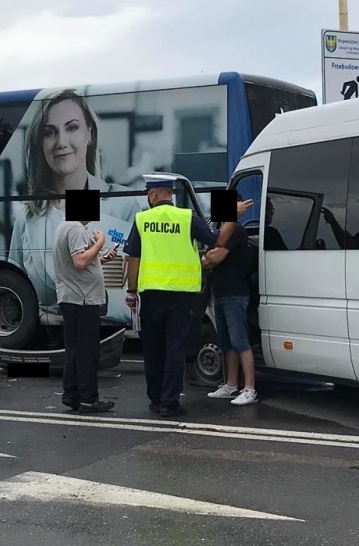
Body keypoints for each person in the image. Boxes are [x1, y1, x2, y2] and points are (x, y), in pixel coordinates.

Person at [9, 89, 141, 321]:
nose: (61, 142)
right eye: (50, 132)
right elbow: (16, 290)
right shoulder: (27, 217)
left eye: (72, 127)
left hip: (98, 326)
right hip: (54, 336)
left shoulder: (123, 203)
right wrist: (44, 318)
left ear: (88, 133)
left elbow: (135, 295)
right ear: (40, 142)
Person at [124, 174, 226, 418]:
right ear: (170, 194)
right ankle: (169, 402)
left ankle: (155, 398)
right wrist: (231, 214)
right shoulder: (186, 217)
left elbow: (134, 259)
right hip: (181, 296)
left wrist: (131, 290)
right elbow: (215, 239)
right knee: (175, 348)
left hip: (151, 294)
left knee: (153, 348)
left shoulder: (142, 219)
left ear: (152, 195)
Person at [52, 216, 116, 415]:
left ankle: (72, 395)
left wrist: (101, 258)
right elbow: (79, 261)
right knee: (87, 351)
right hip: (83, 298)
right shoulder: (76, 228)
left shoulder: (64, 226)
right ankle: (89, 399)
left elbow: (81, 260)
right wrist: (100, 242)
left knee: (75, 350)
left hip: (72, 297)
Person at [203, 216, 258, 406]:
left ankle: (250, 389)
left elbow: (214, 258)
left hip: (235, 293)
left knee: (240, 341)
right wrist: (210, 258)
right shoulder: (221, 233)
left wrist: (212, 257)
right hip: (221, 293)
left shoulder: (235, 229)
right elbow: (205, 260)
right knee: (227, 342)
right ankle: (231, 385)